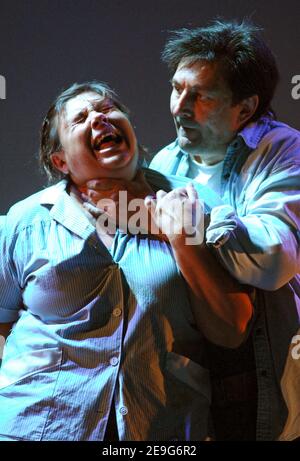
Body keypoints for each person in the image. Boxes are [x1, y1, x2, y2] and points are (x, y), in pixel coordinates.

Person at [0, 81, 253, 441]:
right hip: (37, 427)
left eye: (107, 108)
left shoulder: (196, 202)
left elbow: (233, 330)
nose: (100, 118)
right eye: (81, 118)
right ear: (60, 161)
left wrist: (182, 239)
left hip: (162, 430)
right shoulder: (25, 223)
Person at [146, 19, 300, 441]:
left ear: (245, 109)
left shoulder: (284, 151)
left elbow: (272, 263)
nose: (179, 106)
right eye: (177, 88)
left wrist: (190, 222)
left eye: (201, 96)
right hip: (193, 380)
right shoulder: (164, 165)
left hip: (264, 377)